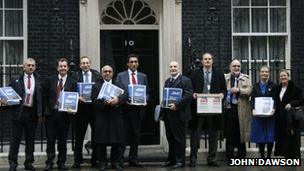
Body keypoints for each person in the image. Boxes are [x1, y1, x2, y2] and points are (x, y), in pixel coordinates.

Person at [189, 53, 226, 167]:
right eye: (205, 59)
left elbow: (224, 90)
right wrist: (193, 94)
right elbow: (190, 90)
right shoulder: (195, 74)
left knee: (213, 134)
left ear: (212, 61)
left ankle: (212, 159)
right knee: (195, 134)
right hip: (198, 108)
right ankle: (193, 158)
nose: (207, 61)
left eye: (209, 59)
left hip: (214, 108)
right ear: (202, 61)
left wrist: (222, 95)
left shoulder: (219, 74)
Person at [6, 58, 42, 171]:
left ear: (35, 67)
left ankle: (29, 163)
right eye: (28, 65)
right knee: (15, 140)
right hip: (18, 113)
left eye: (33, 65)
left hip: (32, 113)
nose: (31, 67)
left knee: (30, 140)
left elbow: (41, 98)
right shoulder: (15, 79)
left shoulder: (39, 80)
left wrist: (41, 114)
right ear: (24, 67)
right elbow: (8, 93)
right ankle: (13, 163)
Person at [91, 65, 127, 171]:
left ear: (112, 73)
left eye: (109, 71)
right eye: (105, 71)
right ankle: (102, 163)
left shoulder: (119, 84)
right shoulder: (96, 86)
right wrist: (105, 102)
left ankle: (115, 162)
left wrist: (117, 99)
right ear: (102, 73)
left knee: (117, 141)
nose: (107, 73)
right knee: (101, 142)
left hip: (116, 116)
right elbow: (93, 100)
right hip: (102, 116)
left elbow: (125, 95)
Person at [43, 58, 76, 171]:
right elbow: (44, 97)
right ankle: (49, 162)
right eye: (61, 66)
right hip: (51, 115)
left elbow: (74, 97)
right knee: (50, 140)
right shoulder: (49, 80)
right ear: (57, 68)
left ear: (68, 68)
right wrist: (47, 111)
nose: (63, 68)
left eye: (65, 66)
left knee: (62, 141)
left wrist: (72, 108)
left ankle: (61, 162)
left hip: (65, 116)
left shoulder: (72, 82)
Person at [116, 54, 149, 167]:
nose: (134, 64)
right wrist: (124, 101)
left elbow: (147, 93)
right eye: (131, 62)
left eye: (136, 62)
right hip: (125, 110)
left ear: (138, 63)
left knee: (136, 136)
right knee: (123, 136)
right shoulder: (120, 76)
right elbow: (117, 92)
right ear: (128, 64)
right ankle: (120, 160)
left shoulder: (143, 76)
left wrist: (145, 100)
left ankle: (133, 159)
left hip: (138, 111)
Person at [161, 61, 193, 169]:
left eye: (175, 66)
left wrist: (176, 105)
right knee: (170, 138)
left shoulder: (185, 80)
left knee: (179, 139)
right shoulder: (167, 81)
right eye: (171, 67)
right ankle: (171, 159)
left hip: (180, 114)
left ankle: (180, 161)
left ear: (179, 68)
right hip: (168, 115)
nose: (173, 68)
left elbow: (188, 95)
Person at [72, 56, 101, 168]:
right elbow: (71, 89)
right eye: (83, 63)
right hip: (81, 109)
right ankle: (77, 160)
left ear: (90, 64)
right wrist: (77, 97)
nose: (85, 65)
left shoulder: (97, 75)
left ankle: (95, 160)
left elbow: (100, 88)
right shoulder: (75, 76)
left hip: (94, 109)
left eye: (87, 63)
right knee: (79, 137)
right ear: (80, 65)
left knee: (96, 136)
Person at [224, 59, 252, 160]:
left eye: (238, 66)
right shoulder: (225, 78)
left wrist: (239, 90)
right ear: (230, 67)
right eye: (234, 66)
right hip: (228, 109)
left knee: (241, 133)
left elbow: (249, 90)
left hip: (241, 109)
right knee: (229, 133)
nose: (236, 68)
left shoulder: (246, 78)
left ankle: (241, 156)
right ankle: (230, 156)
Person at [274, 69, 302, 158]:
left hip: (292, 117)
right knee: (283, 136)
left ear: (288, 76)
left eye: (284, 75)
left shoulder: (295, 88)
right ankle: (284, 155)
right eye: (281, 76)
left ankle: (293, 158)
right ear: (279, 78)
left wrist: (291, 104)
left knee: (292, 136)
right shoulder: (278, 88)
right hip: (281, 117)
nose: (283, 77)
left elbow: (301, 101)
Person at [250, 66, 276, 158]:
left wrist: (274, 108)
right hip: (258, 115)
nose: (264, 73)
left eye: (266, 72)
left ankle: (269, 156)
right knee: (260, 136)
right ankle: (262, 156)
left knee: (270, 136)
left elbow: (276, 99)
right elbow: (252, 99)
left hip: (270, 115)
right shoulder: (255, 86)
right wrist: (253, 109)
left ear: (269, 73)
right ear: (259, 73)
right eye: (262, 72)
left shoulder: (273, 85)